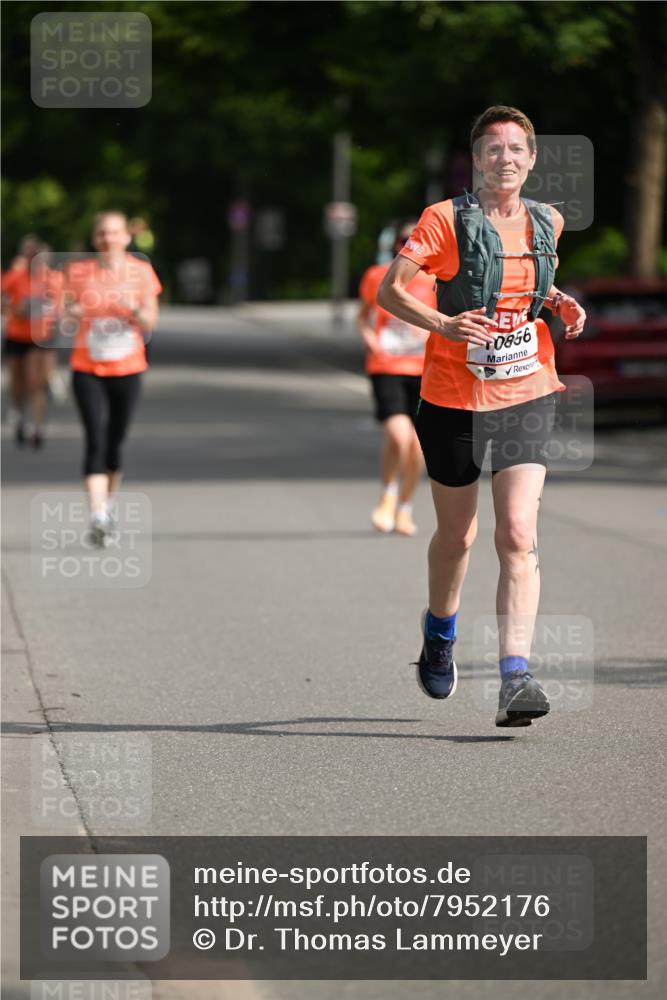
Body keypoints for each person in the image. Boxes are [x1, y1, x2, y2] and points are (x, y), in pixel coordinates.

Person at [377, 106, 586, 727]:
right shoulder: (444, 220)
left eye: (516, 148)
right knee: (458, 536)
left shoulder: (549, 219)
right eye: (492, 149)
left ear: (532, 158)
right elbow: (393, 289)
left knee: (517, 534)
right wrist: (443, 323)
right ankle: (440, 632)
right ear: (477, 159)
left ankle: (515, 676)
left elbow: (525, 284)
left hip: (528, 390)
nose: (505, 158)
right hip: (452, 398)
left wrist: (557, 301)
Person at [63, 211, 161, 545]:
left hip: (128, 368)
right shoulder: (78, 272)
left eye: (115, 233)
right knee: (94, 439)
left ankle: (109, 502)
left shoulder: (141, 272)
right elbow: (63, 313)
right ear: (95, 238)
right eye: (103, 233)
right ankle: (98, 515)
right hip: (87, 367)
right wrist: (71, 313)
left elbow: (149, 322)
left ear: (126, 237)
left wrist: (130, 308)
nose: (109, 239)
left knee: (115, 443)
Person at [358, 222, 434, 536]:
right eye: (406, 240)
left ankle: (404, 508)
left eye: (418, 239)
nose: (412, 245)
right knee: (401, 437)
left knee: (417, 448)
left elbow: (451, 321)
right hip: (387, 366)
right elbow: (363, 316)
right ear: (395, 245)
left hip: (425, 370)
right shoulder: (378, 275)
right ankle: (388, 497)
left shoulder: (437, 280)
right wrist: (368, 338)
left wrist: (430, 331)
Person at [2, 236, 62, 448]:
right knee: (17, 384)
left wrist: (46, 309)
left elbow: (60, 305)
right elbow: (3, 301)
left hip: (41, 337)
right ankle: (18, 415)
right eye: (28, 254)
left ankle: (38, 427)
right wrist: (14, 309)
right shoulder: (14, 277)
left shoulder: (52, 278)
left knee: (35, 382)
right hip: (17, 335)